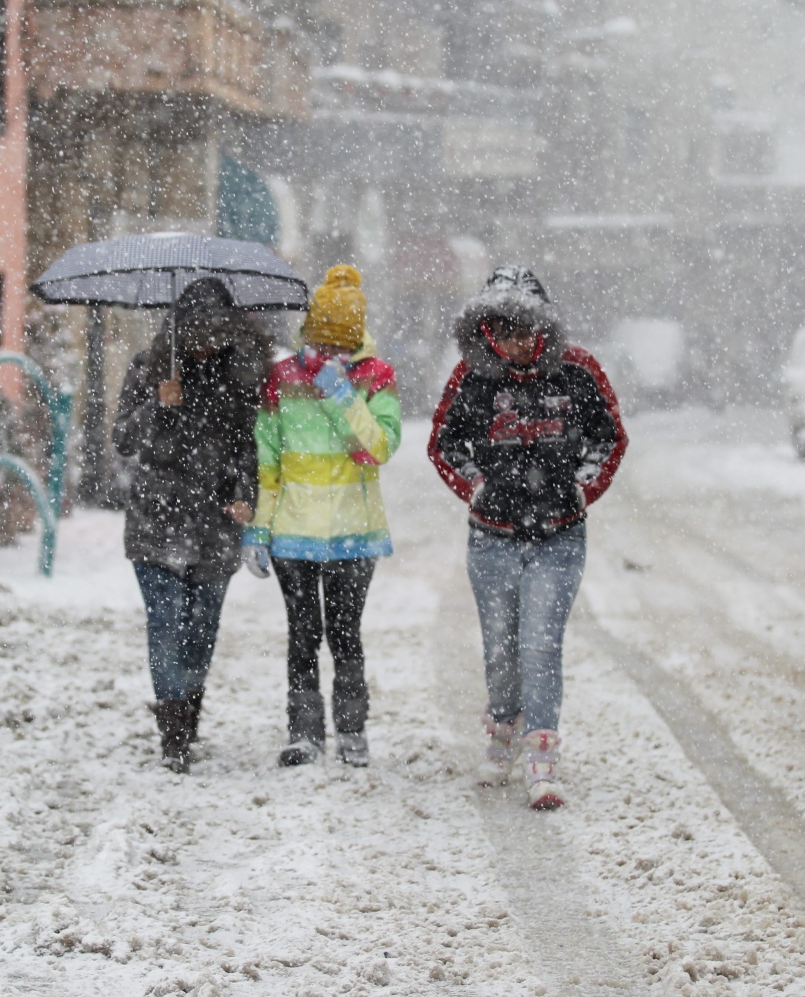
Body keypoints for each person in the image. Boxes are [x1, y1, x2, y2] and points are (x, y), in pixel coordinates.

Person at [428, 266, 626, 810]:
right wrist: (477, 487)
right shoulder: (471, 378)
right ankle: (500, 732)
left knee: (540, 642)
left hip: (559, 536)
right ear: (486, 331)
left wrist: (583, 488)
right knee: (500, 645)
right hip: (491, 538)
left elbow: (609, 438)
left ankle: (542, 752)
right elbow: (443, 443)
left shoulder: (579, 371)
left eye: (525, 331)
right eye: (504, 331)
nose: (517, 344)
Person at [242, 265, 401, 768]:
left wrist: (343, 396)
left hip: (354, 532)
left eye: (339, 343)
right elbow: (269, 464)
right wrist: (258, 529)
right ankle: (304, 733)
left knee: (346, 633)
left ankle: (352, 731)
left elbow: (378, 448)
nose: (329, 352)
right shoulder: (281, 378)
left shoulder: (377, 376)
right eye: (321, 340)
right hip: (293, 534)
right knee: (303, 634)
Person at [113, 278, 271, 773]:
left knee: (201, 628)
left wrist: (246, 495)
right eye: (199, 332)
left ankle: (188, 710)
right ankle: (173, 732)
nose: (207, 343)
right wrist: (158, 403)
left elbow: (250, 446)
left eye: (216, 333)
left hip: (215, 523)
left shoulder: (243, 377)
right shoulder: (149, 368)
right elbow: (122, 439)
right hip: (156, 519)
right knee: (164, 623)